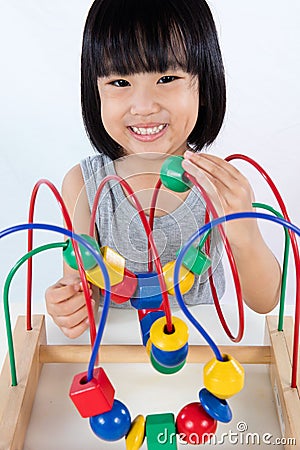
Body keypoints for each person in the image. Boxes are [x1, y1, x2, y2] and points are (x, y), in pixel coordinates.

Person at [45, 0, 281, 339]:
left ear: (205, 84)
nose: (143, 106)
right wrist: (70, 303)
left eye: (167, 77)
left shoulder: (215, 185)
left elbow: (265, 301)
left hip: (204, 351)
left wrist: (244, 234)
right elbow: (84, 288)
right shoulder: (83, 185)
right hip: (118, 355)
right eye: (120, 82)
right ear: (93, 90)